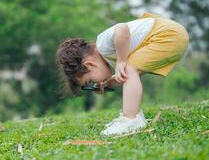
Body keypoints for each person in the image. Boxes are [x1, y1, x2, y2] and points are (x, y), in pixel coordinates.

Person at [56, 13, 189, 136]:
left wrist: (122, 60)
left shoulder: (102, 45)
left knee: (130, 68)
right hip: (173, 35)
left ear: (90, 65)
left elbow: (122, 29)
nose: (94, 83)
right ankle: (134, 116)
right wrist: (109, 82)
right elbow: (128, 78)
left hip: (167, 34)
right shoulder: (113, 55)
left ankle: (130, 119)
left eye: (90, 80)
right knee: (131, 71)